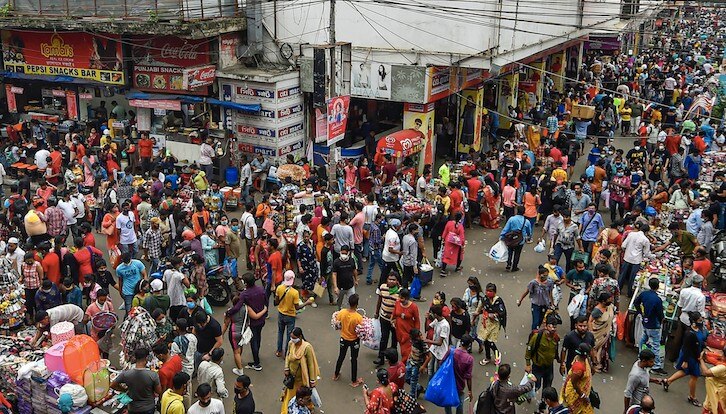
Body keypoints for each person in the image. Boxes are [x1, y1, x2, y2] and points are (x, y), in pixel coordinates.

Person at [662, 311, 708, 407]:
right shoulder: (689, 333)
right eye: (700, 320)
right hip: (690, 356)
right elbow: (686, 348)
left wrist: (703, 349)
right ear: (694, 321)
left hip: (695, 355)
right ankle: (692, 396)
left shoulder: (699, 329)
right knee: (694, 376)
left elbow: (701, 340)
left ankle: (668, 381)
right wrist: (685, 361)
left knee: (684, 372)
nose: (702, 321)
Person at [281, 327, 320, 414]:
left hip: (302, 378)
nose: (292, 339)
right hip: (292, 377)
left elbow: (311, 364)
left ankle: (308, 407)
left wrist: (312, 380)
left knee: (304, 396)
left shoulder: (307, 347)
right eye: (291, 337)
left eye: (294, 338)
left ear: (300, 337)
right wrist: (286, 368)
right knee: (291, 396)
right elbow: (288, 355)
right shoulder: (291, 343)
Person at [111, 348, 162, 414]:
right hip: (148, 407)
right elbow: (159, 391)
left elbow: (112, 385)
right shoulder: (153, 375)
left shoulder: (126, 374)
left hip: (133, 408)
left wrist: (124, 390)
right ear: (146, 358)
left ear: (135, 358)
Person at [633, 277, 667, 375]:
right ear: (657, 287)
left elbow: (636, 302)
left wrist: (640, 312)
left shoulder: (644, 294)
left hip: (645, 322)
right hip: (654, 325)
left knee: (643, 338)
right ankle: (656, 366)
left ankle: (641, 355)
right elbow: (660, 313)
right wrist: (662, 320)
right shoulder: (657, 299)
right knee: (656, 345)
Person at [275, 270, 313, 358]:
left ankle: (279, 351)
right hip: (290, 316)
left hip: (281, 314)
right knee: (289, 335)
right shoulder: (294, 293)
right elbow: (297, 307)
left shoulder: (279, 288)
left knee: (280, 332)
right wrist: (306, 303)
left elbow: (276, 301)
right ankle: (287, 353)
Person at [333, 293, 364, 386]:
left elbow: (337, 323)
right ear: (357, 304)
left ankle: (335, 374)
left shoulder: (342, 312)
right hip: (354, 340)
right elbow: (360, 330)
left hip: (343, 338)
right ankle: (354, 381)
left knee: (341, 356)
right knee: (354, 359)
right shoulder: (358, 317)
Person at [525, 316, 560, 394]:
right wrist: (528, 364)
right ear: (546, 326)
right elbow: (529, 349)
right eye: (550, 326)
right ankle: (527, 393)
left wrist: (559, 360)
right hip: (538, 366)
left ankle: (543, 402)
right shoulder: (537, 337)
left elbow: (556, 350)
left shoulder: (556, 338)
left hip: (549, 367)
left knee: (547, 387)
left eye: (554, 327)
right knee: (536, 385)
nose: (552, 329)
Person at [518, 265, 555, 331]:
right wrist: (520, 300)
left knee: (540, 320)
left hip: (545, 304)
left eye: (547, 275)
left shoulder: (549, 283)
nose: (545, 277)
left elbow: (550, 293)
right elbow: (527, 292)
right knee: (535, 322)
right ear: (540, 275)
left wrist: (552, 303)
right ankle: (533, 335)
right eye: (544, 275)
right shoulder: (533, 283)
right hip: (535, 305)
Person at [478, 282, 507, 366]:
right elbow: (481, 308)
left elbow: (502, 312)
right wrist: (476, 314)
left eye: (490, 291)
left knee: (490, 340)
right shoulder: (484, 299)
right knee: (485, 340)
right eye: (487, 291)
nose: (488, 293)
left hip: (495, 323)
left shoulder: (498, 301)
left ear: (494, 292)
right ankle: (487, 357)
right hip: (486, 322)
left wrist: (494, 315)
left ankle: (497, 353)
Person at [620, 222, 652, 297]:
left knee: (622, 276)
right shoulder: (645, 240)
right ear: (647, 232)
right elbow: (646, 253)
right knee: (632, 277)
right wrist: (653, 256)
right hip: (636, 261)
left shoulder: (631, 234)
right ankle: (629, 293)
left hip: (627, 258)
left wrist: (627, 251)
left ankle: (619, 290)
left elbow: (623, 245)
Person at [374, 273, 400, 366]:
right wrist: (376, 313)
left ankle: (393, 359)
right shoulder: (383, 288)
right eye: (390, 279)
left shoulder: (400, 292)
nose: (391, 281)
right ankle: (380, 358)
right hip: (384, 318)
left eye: (393, 279)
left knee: (394, 339)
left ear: (397, 281)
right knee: (384, 339)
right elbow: (379, 301)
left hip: (395, 321)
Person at [561, 343, 593, 414]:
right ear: (586, 354)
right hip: (575, 394)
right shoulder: (578, 368)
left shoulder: (584, 359)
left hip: (581, 391)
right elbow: (574, 383)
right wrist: (583, 396)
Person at [446, 334, 474, 414]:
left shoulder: (451, 351)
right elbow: (468, 377)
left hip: (448, 382)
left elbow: (442, 362)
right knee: (459, 404)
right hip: (459, 385)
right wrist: (470, 391)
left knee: (447, 402)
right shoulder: (469, 359)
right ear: (469, 345)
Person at [588, 292, 615, 373]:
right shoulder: (597, 310)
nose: (611, 300)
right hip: (598, 333)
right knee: (595, 349)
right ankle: (595, 364)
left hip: (606, 333)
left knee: (603, 349)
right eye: (609, 299)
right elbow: (590, 321)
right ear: (603, 301)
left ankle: (602, 364)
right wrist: (591, 332)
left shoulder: (609, 307)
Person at [500, 207, 533, 272]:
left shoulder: (512, 219)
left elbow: (506, 228)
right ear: (524, 212)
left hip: (511, 239)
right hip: (520, 240)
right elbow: (529, 232)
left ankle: (509, 264)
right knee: (517, 254)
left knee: (510, 252)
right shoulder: (526, 221)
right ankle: (514, 267)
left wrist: (502, 236)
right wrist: (529, 236)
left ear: (517, 211)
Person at [392, 288, 420, 362]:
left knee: (406, 352)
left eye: (402, 298)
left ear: (407, 298)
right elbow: (394, 313)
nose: (400, 299)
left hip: (408, 333)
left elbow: (417, 320)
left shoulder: (413, 307)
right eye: (399, 297)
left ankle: (404, 368)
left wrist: (416, 334)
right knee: (402, 350)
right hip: (399, 332)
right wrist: (392, 320)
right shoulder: (397, 303)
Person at [699, 346, 726, 414]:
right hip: (721, 393)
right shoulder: (722, 364)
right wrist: (707, 355)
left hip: (716, 395)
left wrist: (701, 359)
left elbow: (706, 372)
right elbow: (716, 360)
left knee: (713, 409)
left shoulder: (722, 368)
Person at [424, 304, 450, 374]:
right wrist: (427, 319)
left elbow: (440, 343)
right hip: (434, 349)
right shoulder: (436, 321)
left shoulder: (444, 325)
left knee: (438, 371)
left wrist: (428, 341)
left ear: (435, 314)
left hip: (441, 351)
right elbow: (427, 328)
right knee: (430, 368)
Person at [332, 245, 357, 309]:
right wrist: (335, 287)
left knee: (352, 302)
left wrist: (356, 280)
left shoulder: (351, 260)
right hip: (340, 287)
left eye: (345, 253)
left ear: (348, 253)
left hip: (350, 286)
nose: (344, 255)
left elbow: (354, 270)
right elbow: (334, 274)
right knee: (339, 302)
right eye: (342, 253)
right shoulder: (336, 262)